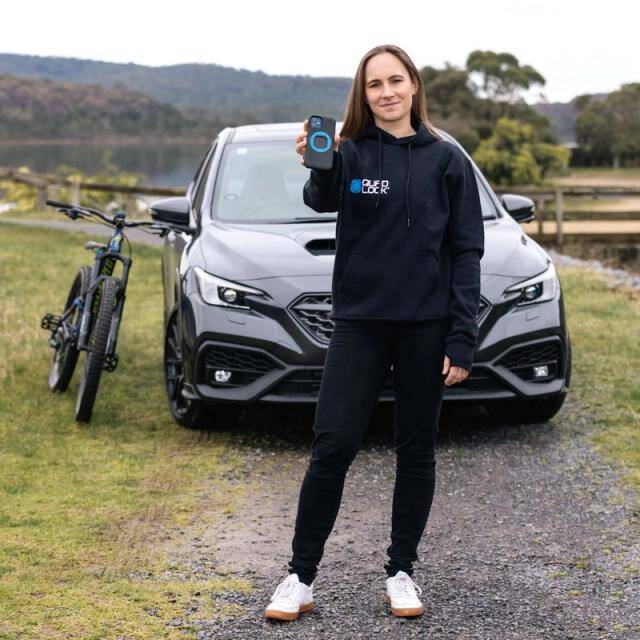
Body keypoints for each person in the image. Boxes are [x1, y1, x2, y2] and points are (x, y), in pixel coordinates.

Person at [264, 43, 485, 621]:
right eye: (374, 84)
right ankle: (300, 577)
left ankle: (401, 571)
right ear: (362, 95)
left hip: (425, 328)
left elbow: (466, 252)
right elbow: (321, 200)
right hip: (359, 324)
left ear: (413, 85)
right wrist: (320, 164)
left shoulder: (447, 159)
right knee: (332, 446)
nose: (386, 92)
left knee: (416, 450)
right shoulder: (351, 153)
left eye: (395, 80)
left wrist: (461, 336)